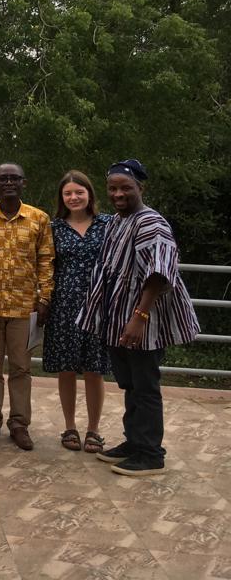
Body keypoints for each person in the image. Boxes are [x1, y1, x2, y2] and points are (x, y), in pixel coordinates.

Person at [79, 160, 199, 476]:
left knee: (145, 385)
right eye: (113, 188)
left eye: (126, 188)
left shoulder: (151, 223)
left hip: (141, 322)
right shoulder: (118, 221)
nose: (118, 194)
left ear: (140, 188)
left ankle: (150, 453)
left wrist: (140, 316)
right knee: (131, 385)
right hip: (118, 319)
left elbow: (158, 274)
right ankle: (134, 442)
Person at [0, 162, 54, 451]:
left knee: (21, 368)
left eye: (14, 178)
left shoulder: (39, 219)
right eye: (3, 178)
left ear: (24, 182)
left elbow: (46, 260)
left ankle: (19, 424)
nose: (9, 183)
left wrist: (44, 298)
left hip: (24, 307)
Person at [42, 171, 112, 455]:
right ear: (62, 197)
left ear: (90, 194)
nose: (74, 197)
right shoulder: (54, 228)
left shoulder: (107, 224)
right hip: (64, 307)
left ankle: (93, 429)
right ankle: (69, 426)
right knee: (67, 368)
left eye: (79, 192)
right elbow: (46, 265)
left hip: (99, 306)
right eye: (68, 193)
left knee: (95, 370)